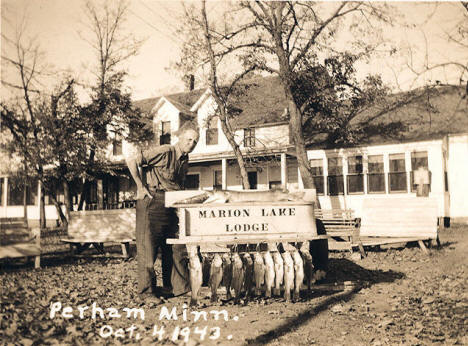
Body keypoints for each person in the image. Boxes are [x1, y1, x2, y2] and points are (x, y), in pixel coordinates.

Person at [126, 123, 200, 303]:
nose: (191, 144)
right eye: (188, 139)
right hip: (152, 200)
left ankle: (174, 288)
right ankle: (146, 293)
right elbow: (132, 160)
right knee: (148, 247)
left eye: (195, 141)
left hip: (172, 202)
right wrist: (140, 187)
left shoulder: (185, 160)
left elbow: (177, 185)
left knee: (176, 245)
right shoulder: (166, 151)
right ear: (180, 139)